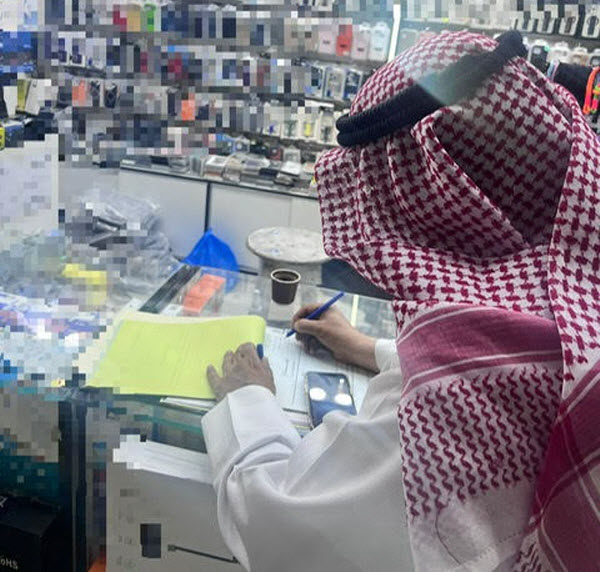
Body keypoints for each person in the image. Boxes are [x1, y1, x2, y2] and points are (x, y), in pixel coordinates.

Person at [204, 29, 600, 571]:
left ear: (424, 196)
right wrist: (373, 350)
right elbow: (523, 351)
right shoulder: (577, 298)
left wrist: (247, 400)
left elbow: (278, 521)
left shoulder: (444, 417)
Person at [203, 304, 413, 572]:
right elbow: (445, 350)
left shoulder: (436, 408)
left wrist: (246, 398)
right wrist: (365, 347)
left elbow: (280, 523)